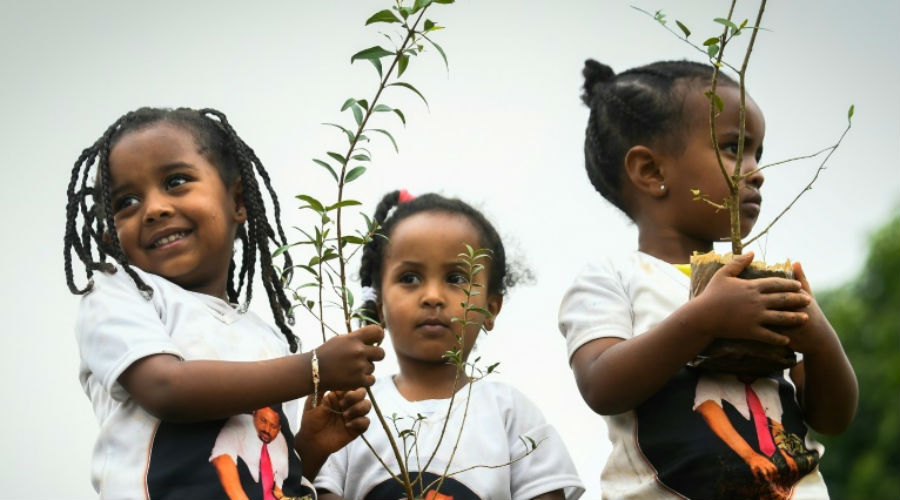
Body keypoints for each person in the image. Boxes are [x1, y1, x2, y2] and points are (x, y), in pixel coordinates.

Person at [558, 60, 858, 499]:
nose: (756, 171)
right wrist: (705, 319)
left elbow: (833, 419)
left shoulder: (762, 282)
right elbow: (602, 385)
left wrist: (818, 338)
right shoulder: (612, 278)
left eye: (759, 153)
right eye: (735, 148)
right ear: (651, 171)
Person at [64, 107, 386, 499]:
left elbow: (269, 478)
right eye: (126, 202)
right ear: (110, 235)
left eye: (176, 181)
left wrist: (311, 446)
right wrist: (314, 367)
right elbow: (165, 388)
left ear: (238, 201)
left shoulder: (268, 338)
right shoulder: (119, 293)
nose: (153, 209)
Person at [314, 190, 585, 500]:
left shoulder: (510, 413)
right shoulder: (352, 409)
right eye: (410, 278)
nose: (432, 296)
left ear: (490, 308)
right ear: (380, 309)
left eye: (456, 278)